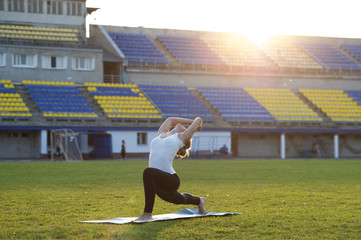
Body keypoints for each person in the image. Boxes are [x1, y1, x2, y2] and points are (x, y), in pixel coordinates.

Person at [135, 117, 206, 222]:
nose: (181, 126)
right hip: (156, 181)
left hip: (171, 180)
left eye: (187, 128)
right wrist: (192, 122)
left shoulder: (180, 139)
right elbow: (171, 120)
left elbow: (198, 120)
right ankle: (200, 201)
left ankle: (147, 213)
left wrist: (197, 122)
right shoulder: (160, 134)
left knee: (148, 172)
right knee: (180, 199)